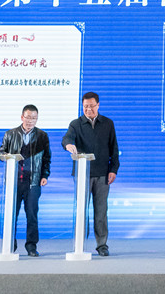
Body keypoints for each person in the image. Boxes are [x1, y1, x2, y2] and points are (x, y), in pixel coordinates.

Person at [62, 92, 119, 257]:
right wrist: (68, 145)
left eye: (92, 106)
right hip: (82, 175)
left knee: (101, 212)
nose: (88, 109)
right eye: (85, 106)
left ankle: (102, 245)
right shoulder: (75, 124)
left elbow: (114, 148)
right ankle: (80, 244)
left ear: (98, 105)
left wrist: (114, 169)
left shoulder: (108, 123)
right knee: (81, 211)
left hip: (102, 174)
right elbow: (66, 139)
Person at [0, 104, 51, 257]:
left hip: (33, 182)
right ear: (22, 117)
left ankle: (31, 246)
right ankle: (10, 245)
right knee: (11, 215)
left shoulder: (42, 136)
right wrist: (6, 156)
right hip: (14, 182)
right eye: (28, 117)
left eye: (34, 118)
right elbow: (1, 153)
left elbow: (47, 158)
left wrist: (45, 176)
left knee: (32, 215)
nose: (30, 121)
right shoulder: (10, 134)